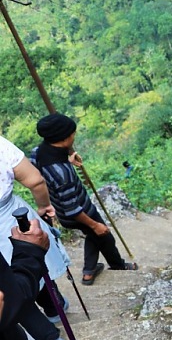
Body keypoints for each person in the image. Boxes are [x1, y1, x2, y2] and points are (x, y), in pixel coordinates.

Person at [31, 113, 137, 286]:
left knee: (95, 236)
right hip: (80, 212)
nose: (74, 135)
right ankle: (116, 267)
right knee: (103, 235)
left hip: (61, 210)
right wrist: (95, 224)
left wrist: (67, 160)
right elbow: (72, 208)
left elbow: (46, 174)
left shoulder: (38, 153)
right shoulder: (62, 174)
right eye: (72, 133)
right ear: (65, 138)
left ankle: (90, 271)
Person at [0, 135, 68, 340]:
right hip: (13, 213)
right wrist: (44, 206)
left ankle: (47, 336)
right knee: (33, 256)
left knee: (7, 282)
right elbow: (35, 180)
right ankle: (55, 308)